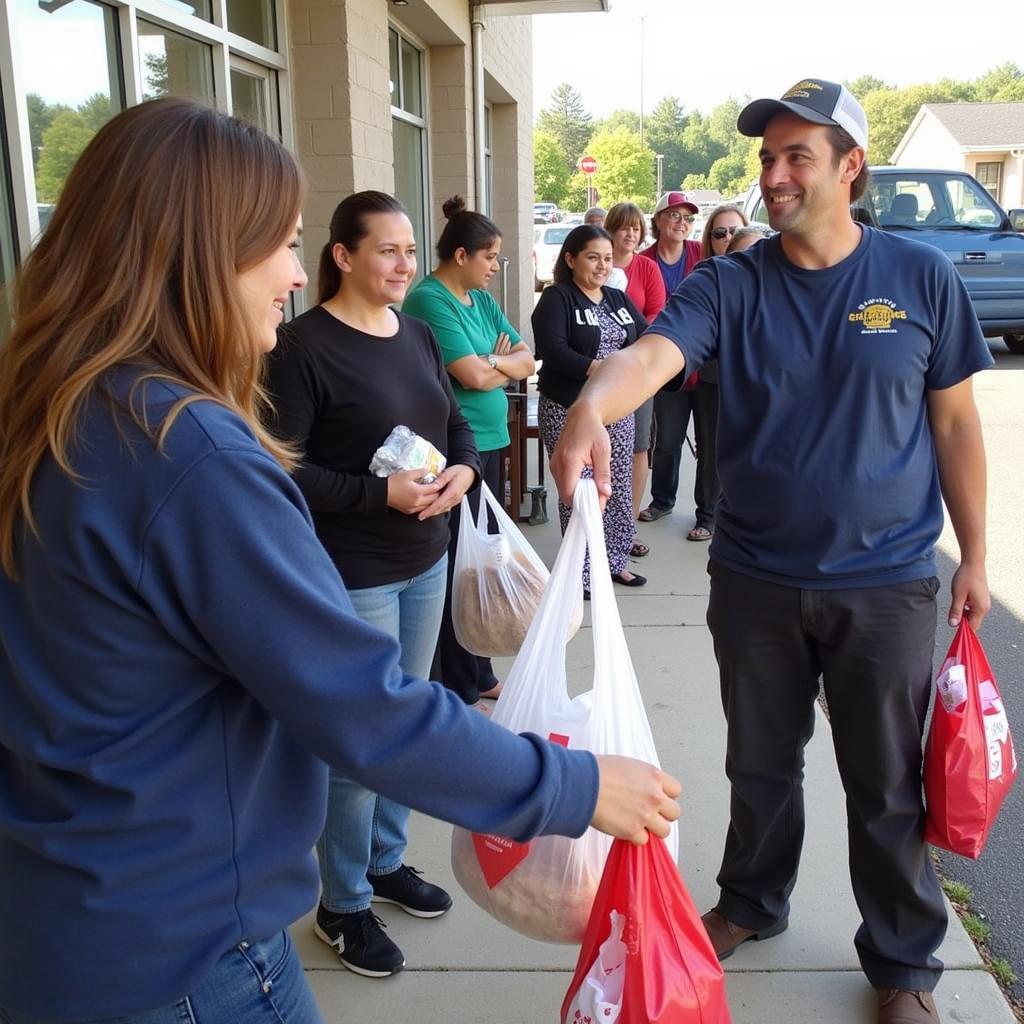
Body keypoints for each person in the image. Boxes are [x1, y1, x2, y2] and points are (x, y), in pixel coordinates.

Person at [0, 98, 682, 1024]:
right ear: (196, 252)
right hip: (190, 947)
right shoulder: (187, 451)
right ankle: (352, 895)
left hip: (73, 909)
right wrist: (575, 785)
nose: (289, 272)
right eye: (276, 243)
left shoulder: (56, 410)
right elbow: (363, 711)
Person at [549, 78, 992, 1024]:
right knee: (759, 763)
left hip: (890, 585)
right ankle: (752, 899)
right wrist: (593, 404)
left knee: (884, 785)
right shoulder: (731, 281)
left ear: (849, 166)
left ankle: (906, 966)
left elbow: (955, 426)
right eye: (766, 157)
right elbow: (654, 356)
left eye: (798, 156)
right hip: (755, 580)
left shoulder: (919, 277)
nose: (774, 175)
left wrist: (980, 556)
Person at [266, 190, 484, 977]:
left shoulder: (419, 333)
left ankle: (387, 864)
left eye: (409, 249)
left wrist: (463, 467)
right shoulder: (297, 348)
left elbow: (454, 419)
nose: (403, 263)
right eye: (386, 250)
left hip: (425, 558)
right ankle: (342, 904)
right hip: (351, 572)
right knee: (358, 744)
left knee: (409, 721)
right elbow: (283, 470)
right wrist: (375, 496)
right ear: (343, 257)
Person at [402, 196, 535, 709]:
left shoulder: (479, 301)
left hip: (493, 441)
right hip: (455, 449)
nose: (496, 267)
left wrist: (498, 363)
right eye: (490, 257)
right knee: (459, 559)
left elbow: (527, 356)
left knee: (481, 559)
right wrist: (496, 363)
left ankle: (477, 668)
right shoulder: (429, 300)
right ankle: (458, 679)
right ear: (460, 255)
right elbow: (473, 375)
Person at [531, 225, 647, 593]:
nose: (601, 266)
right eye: (592, 257)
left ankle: (614, 562)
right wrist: (603, 369)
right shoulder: (557, 298)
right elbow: (553, 349)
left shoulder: (616, 298)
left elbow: (644, 338)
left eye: (607, 258)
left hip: (618, 408)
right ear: (570, 259)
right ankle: (580, 571)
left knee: (615, 485)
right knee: (580, 490)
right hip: (570, 408)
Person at [636, 190, 710, 534]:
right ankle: (662, 500)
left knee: (710, 444)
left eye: (688, 218)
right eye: (675, 216)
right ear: (659, 221)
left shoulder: (700, 253)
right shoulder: (646, 260)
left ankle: (707, 513)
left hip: (707, 368)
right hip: (668, 369)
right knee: (667, 440)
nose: (682, 223)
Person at [676, 203, 750, 543]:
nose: (728, 237)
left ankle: (746, 514)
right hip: (715, 378)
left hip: (755, 382)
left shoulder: (775, 279)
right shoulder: (705, 277)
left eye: (734, 230)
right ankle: (707, 514)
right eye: (720, 232)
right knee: (711, 449)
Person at [603, 201, 667, 558]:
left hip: (638, 369)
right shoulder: (598, 263)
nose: (630, 234)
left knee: (637, 445)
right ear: (610, 230)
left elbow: (658, 312)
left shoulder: (647, 268)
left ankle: (627, 527)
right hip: (597, 370)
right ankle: (599, 524)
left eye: (636, 228)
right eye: (624, 227)